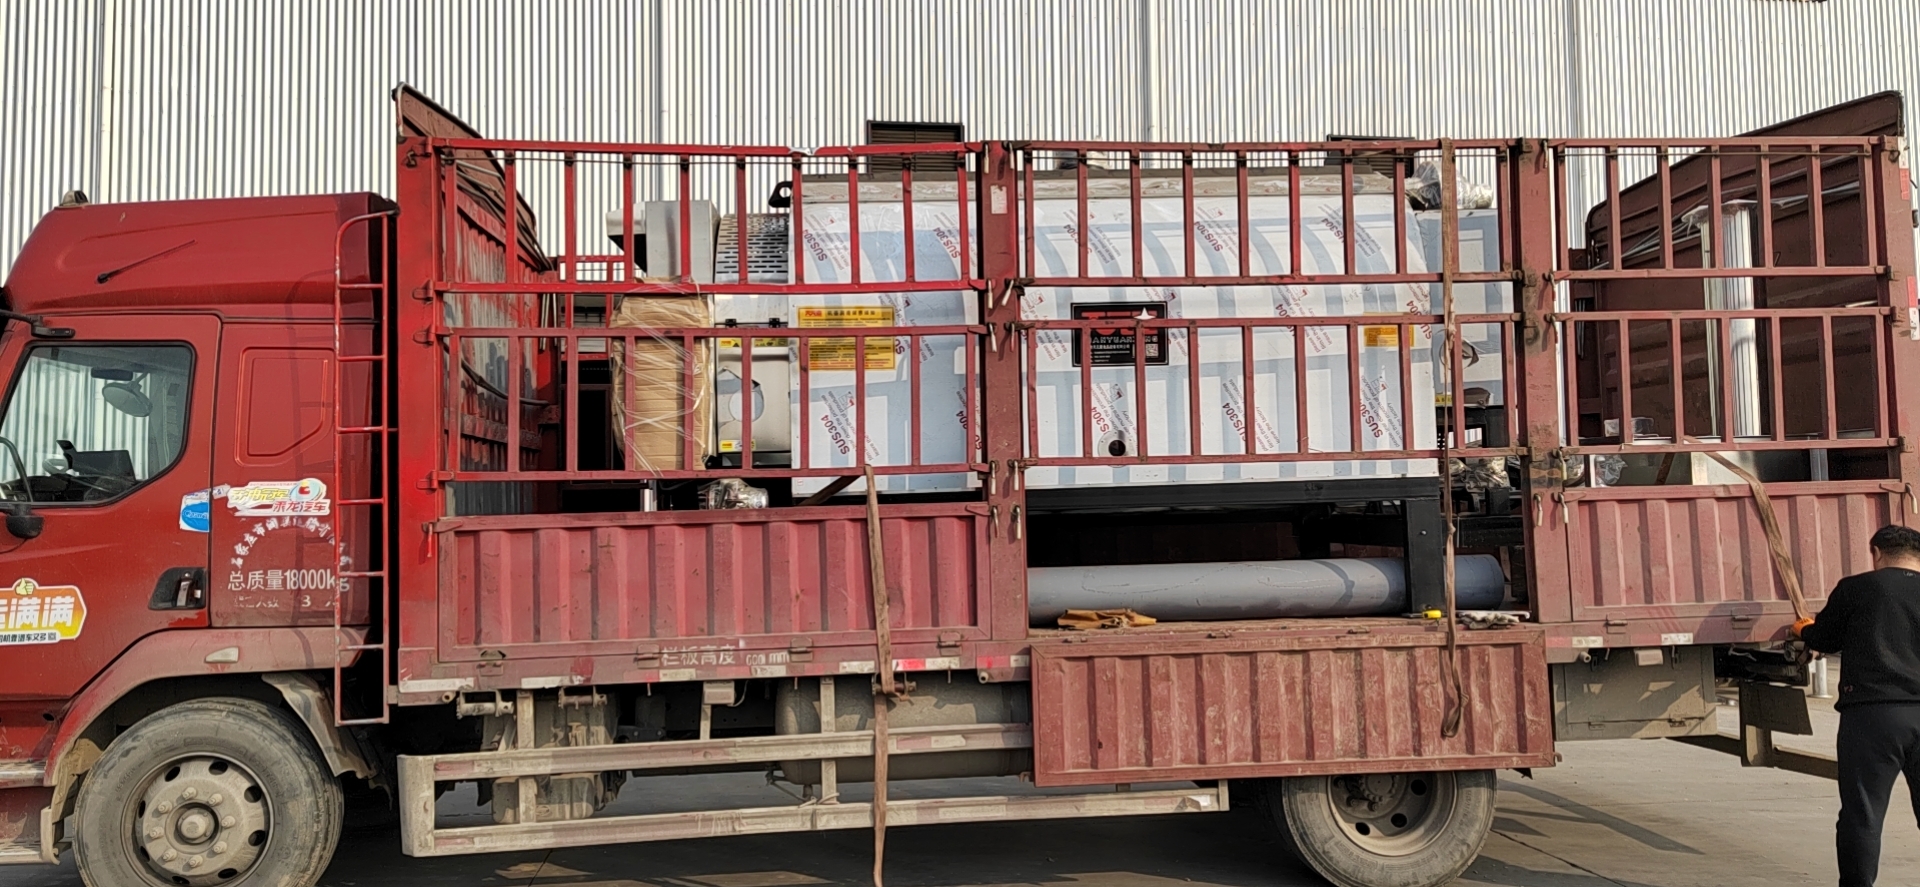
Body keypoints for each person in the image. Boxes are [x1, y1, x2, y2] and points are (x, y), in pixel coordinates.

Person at [1794, 523, 1920, 887]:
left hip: (1872, 715)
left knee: (1863, 814)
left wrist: (1803, 629)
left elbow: (1825, 638)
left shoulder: (1857, 587)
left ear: (1876, 553)